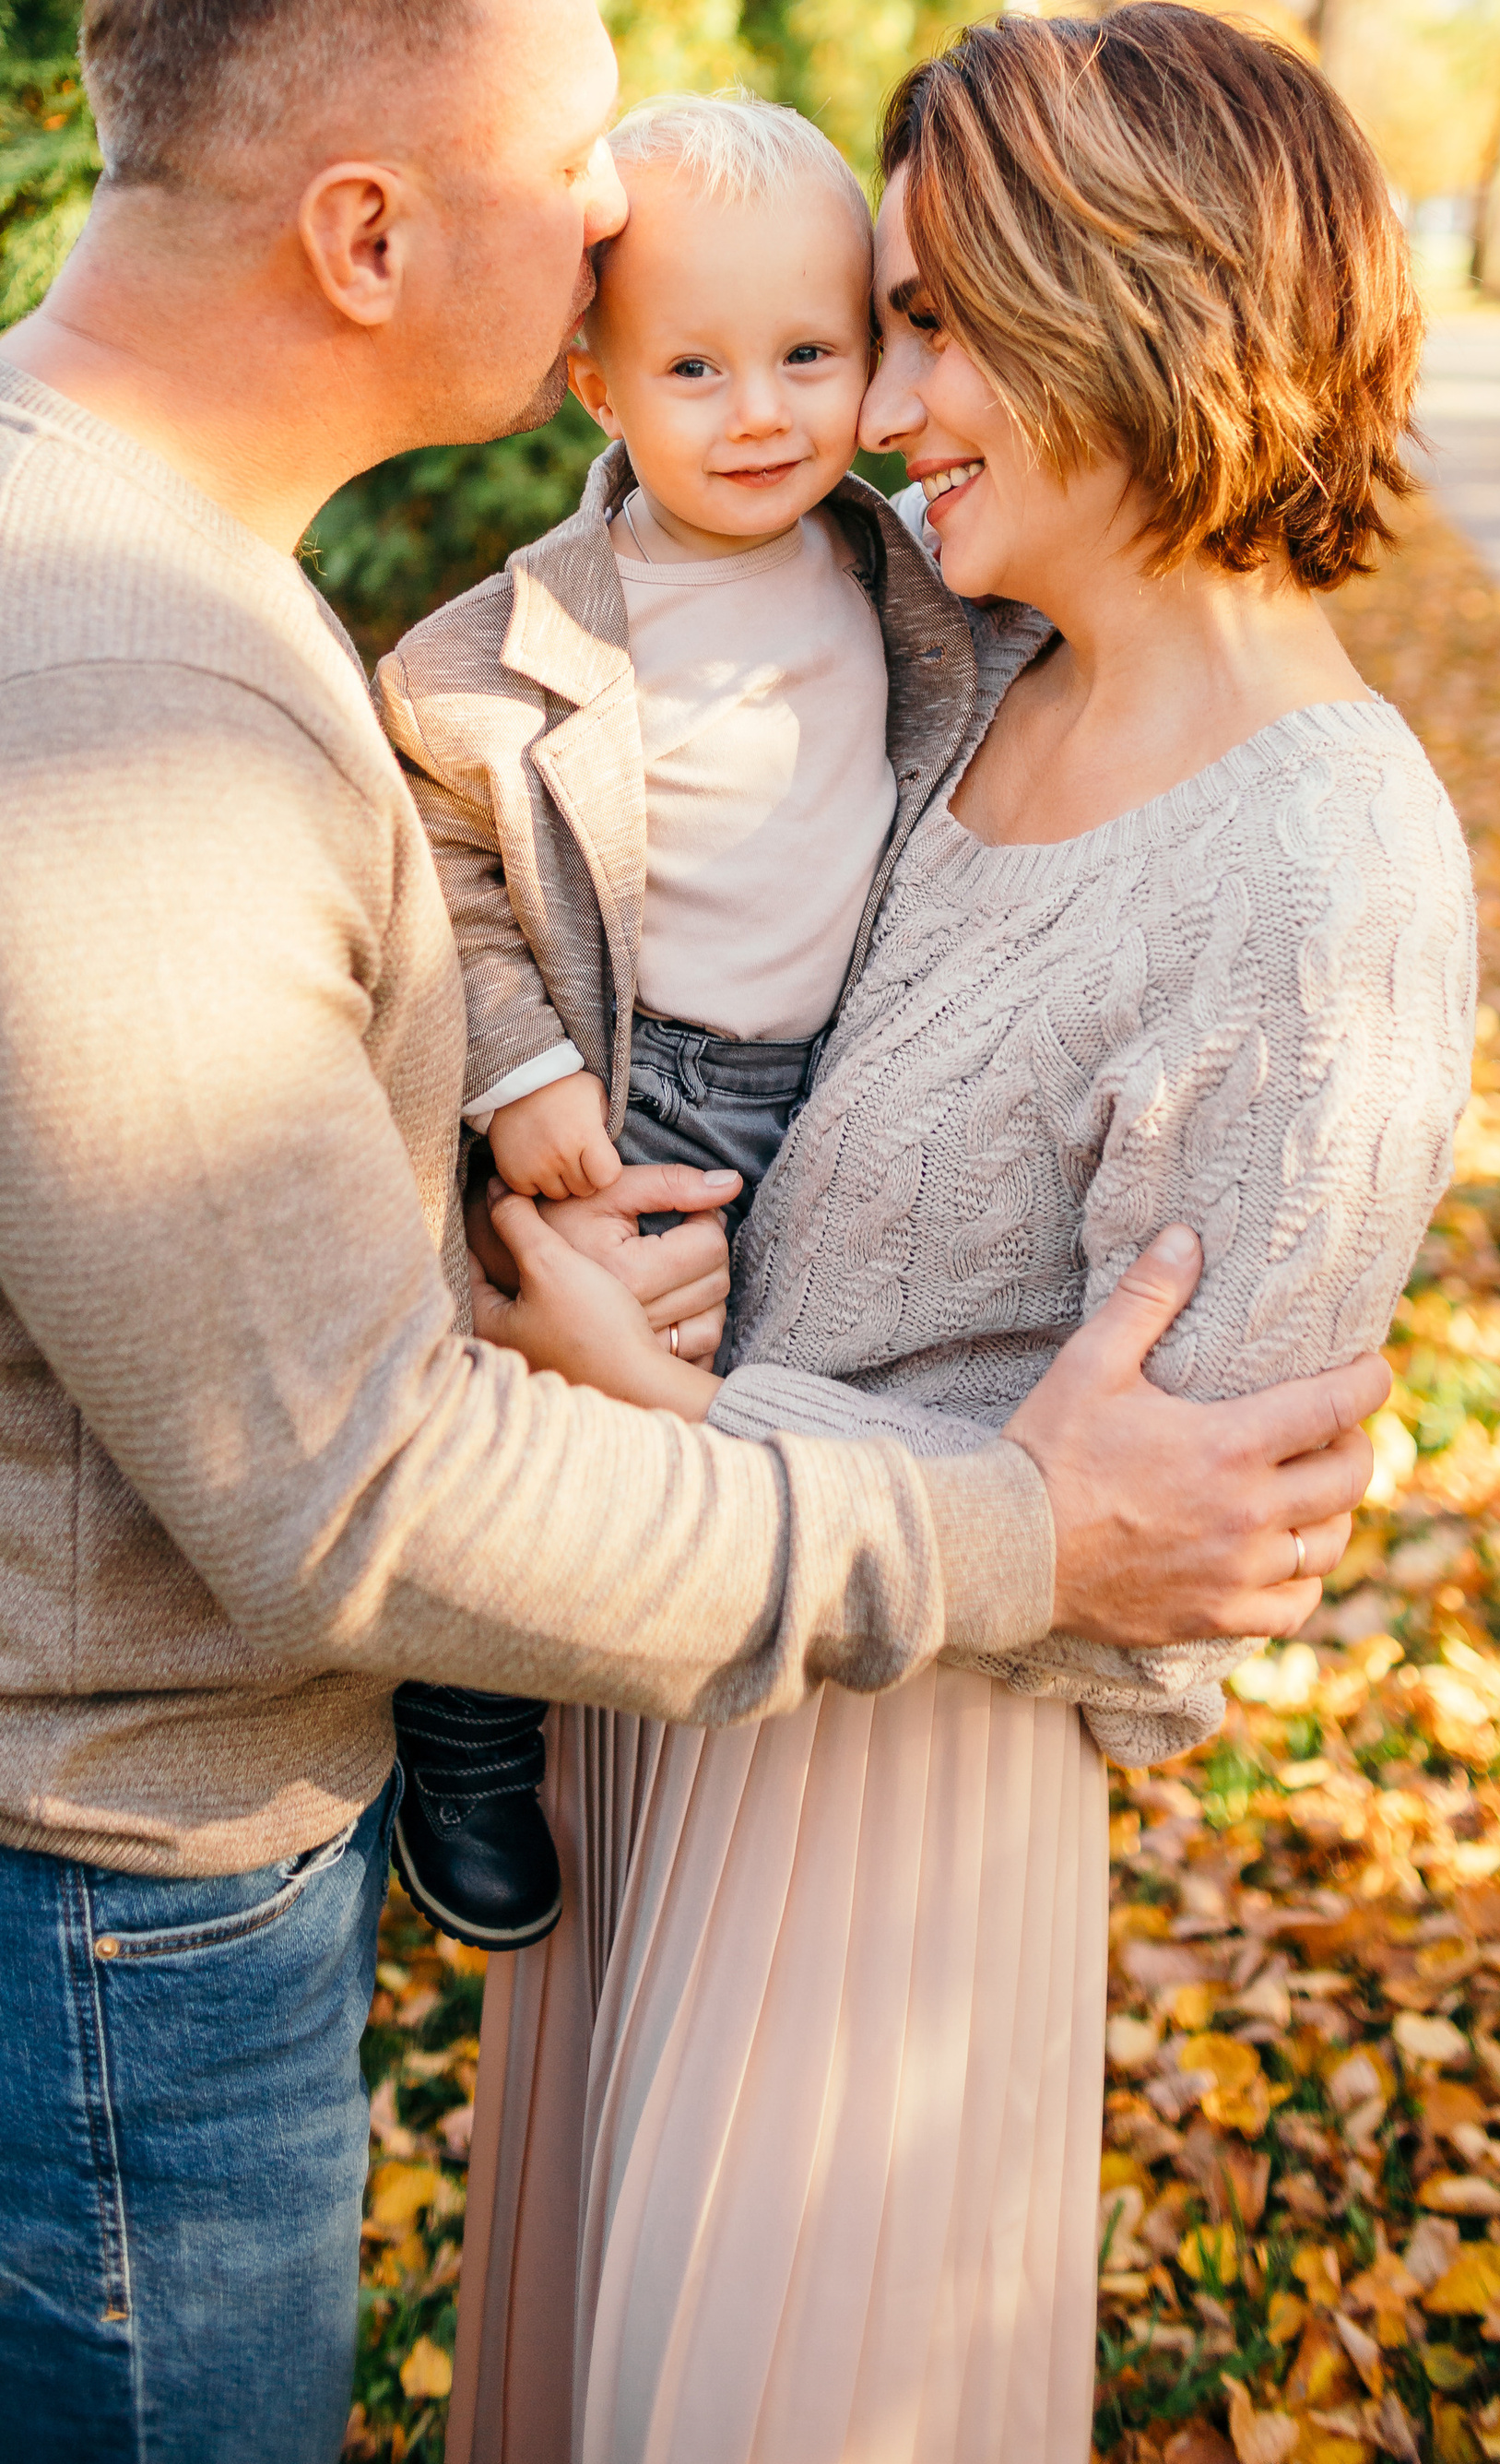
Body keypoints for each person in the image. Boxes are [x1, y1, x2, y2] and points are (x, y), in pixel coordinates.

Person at [0, 0, 1390, 2464]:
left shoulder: (132, 558)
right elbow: (344, 1488)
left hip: (113, 1836)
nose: (625, 203)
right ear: (366, 241)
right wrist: (1008, 1527)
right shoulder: (97, 697)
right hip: (61, 1898)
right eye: (571, 145)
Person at [450, 5, 1478, 2464]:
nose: (873, 399)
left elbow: (1164, 1612)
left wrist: (652, 1402)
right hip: (661, 1702)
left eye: (926, 319)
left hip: (879, 1873)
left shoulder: (1321, 869)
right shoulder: (965, 677)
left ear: (1140, 303)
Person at [375, 93, 986, 1949]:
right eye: (695, 367)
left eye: (811, 354)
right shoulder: (519, 641)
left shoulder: (903, 570)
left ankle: (741, 1776)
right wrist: (517, 1064)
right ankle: (466, 1735)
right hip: (638, 1089)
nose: (762, 413)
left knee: (762, 1425)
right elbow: (427, 850)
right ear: (597, 385)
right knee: (560, 1409)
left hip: (849, 1077)